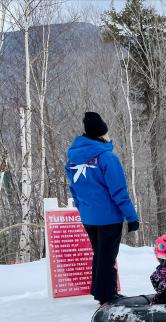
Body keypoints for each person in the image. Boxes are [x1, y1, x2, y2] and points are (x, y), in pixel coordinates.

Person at [65, 112, 139, 305]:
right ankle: (108, 296)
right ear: (102, 133)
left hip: (89, 217)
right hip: (109, 218)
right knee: (107, 258)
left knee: (99, 255)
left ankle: (99, 291)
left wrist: (83, 210)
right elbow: (119, 191)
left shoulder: (73, 158)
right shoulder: (107, 157)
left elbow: (74, 189)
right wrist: (131, 217)